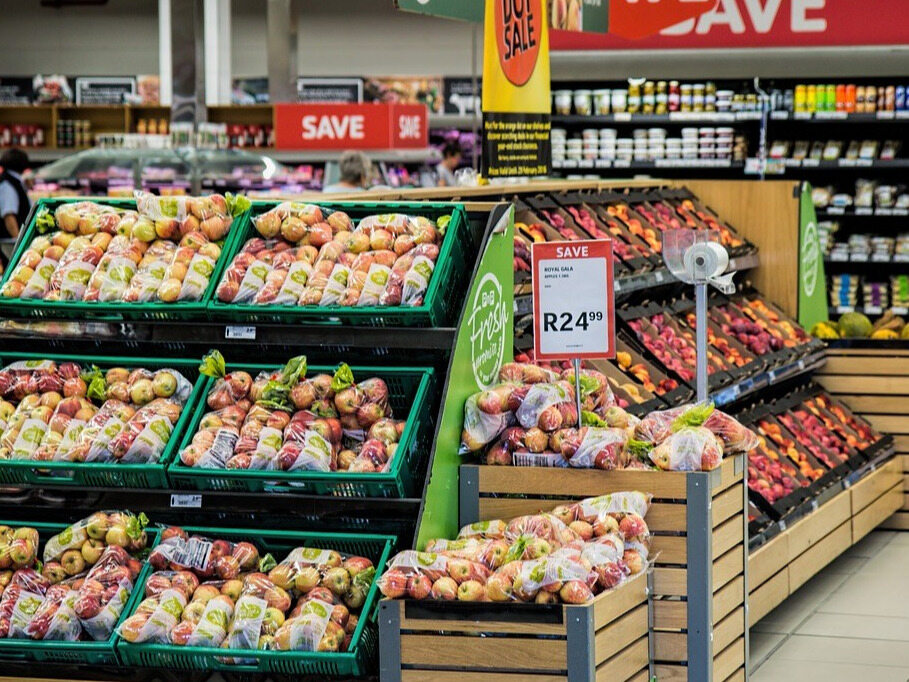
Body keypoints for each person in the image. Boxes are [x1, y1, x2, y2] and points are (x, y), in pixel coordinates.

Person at [0, 148, 31, 239]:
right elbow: (9, 216)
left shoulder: (13, 181)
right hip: (8, 243)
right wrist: (18, 242)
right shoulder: (7, 185)